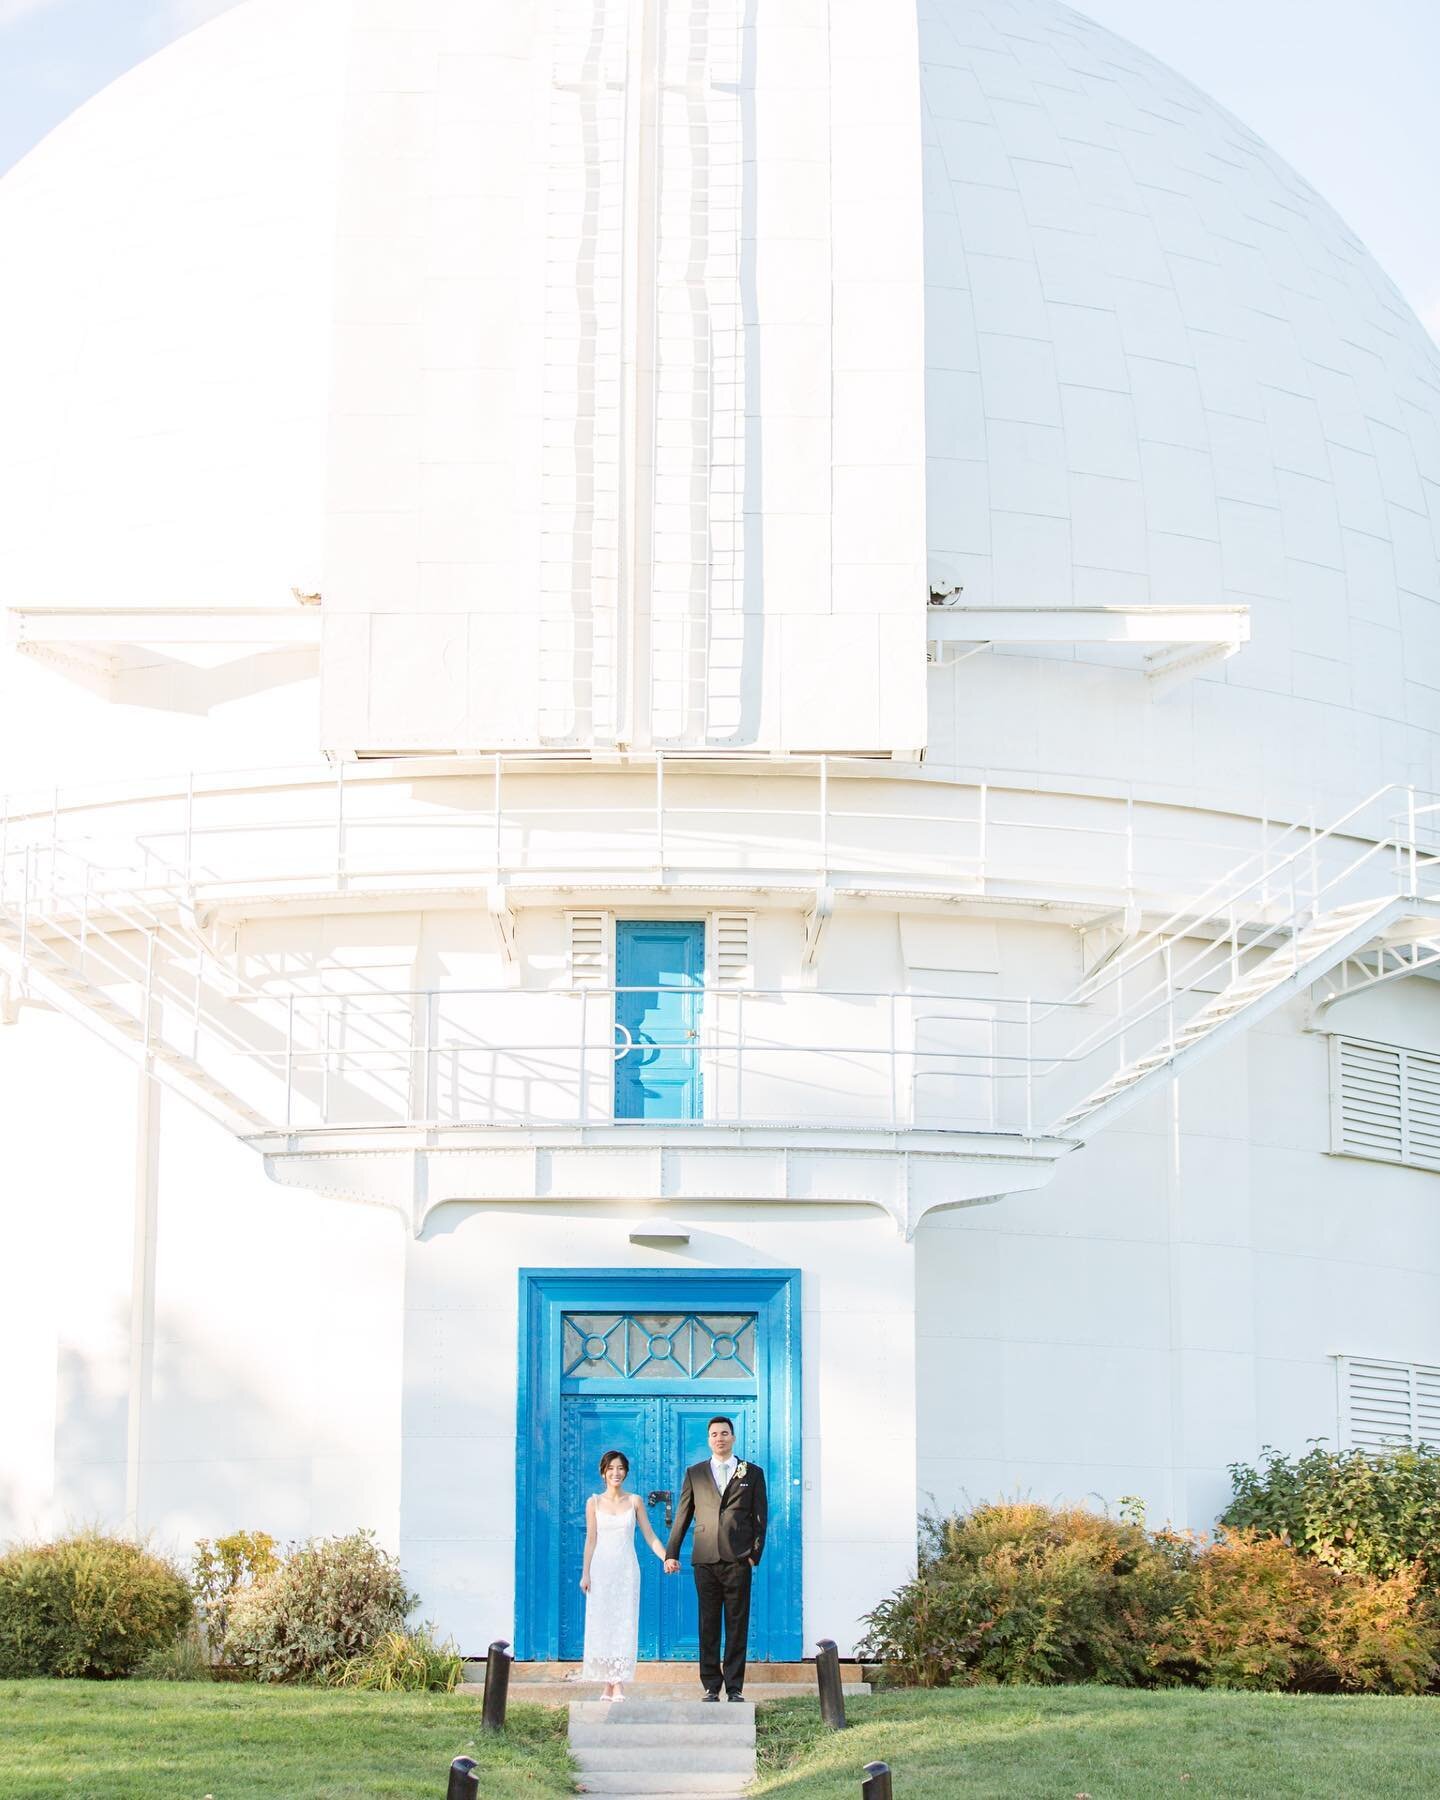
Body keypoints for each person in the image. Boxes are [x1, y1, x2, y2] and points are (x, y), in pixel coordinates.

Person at [663, 1415, 767, 1702]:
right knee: (708, 1623)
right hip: (705, 1558)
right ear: (708, 1440)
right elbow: (683, 1516)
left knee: (737, 1624)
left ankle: (734, 1687)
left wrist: (753, 1556)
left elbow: (760, 1518)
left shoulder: (752, 1473)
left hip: (738, 1560)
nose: (719, 1438)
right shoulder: (695, 1473)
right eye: (714, 1434)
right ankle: (711, 1685)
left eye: (724, 1433)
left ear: (733, 1437)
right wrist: (671, 1552)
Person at [579, 1448, 667, 1701]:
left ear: (626, 1472)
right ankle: (607, 1682)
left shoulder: (635, 1501)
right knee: (602, 1622)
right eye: (611, 1469)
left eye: (620, 1468)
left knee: (624, 1621)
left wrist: (666, 1557)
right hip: (601, 1569)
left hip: (626, 1569)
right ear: (603, 1473)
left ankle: (618, 1681)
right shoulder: (594, 1502)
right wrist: (586, 1573)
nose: (615, 1473)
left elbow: (649, 1535)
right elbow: (591, 1539)